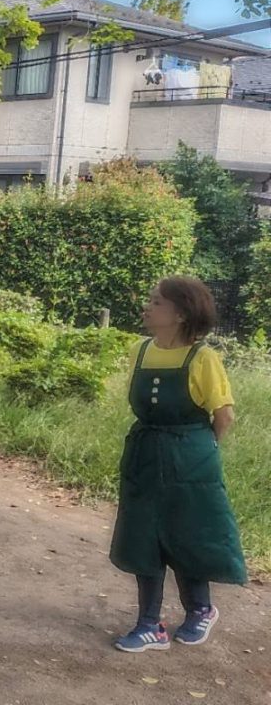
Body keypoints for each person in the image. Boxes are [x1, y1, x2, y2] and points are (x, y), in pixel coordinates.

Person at [110, 277, 245, 653]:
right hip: (146, 455)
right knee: (143, 536)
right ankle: (149, 625)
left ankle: (200, 608)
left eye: (156, 302)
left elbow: (224, 416)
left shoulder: (203, 358)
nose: (147, 307)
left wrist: (200, 451)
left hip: (191, 460)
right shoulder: (142, 351)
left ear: (181, 314)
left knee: (188, 532)